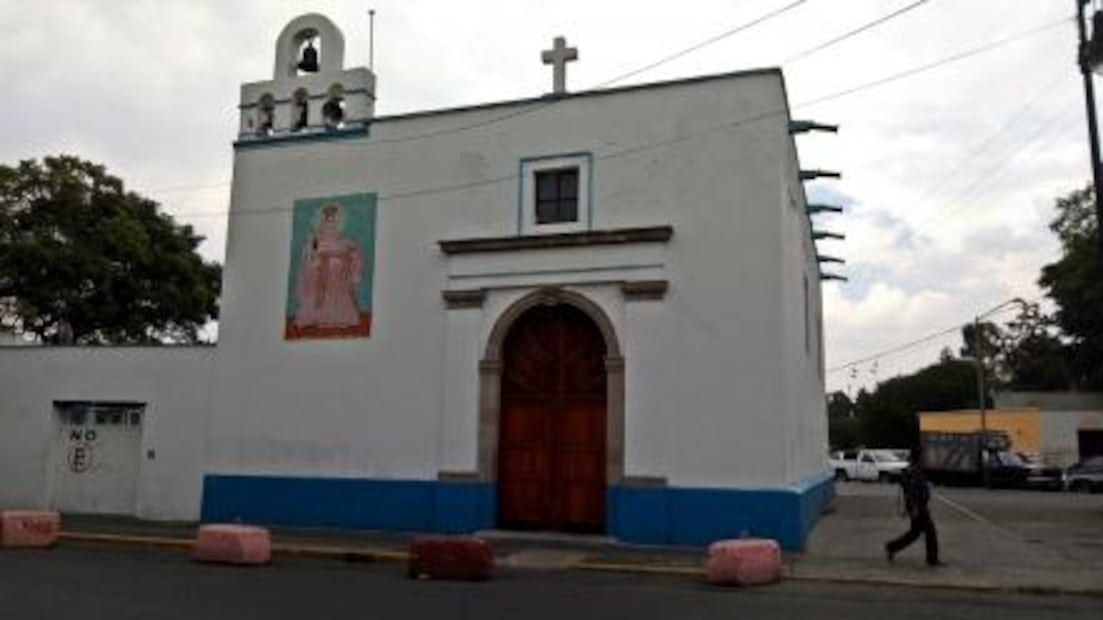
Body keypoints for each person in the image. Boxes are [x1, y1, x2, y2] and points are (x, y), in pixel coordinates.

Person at [293, 204, 363, 329]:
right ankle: (317, 312)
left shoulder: (337, 227)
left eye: (333, 213)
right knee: (322, 264)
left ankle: (339, 315)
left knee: (341, 261)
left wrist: (345, 250)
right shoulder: (319, 229)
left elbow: (339, 241)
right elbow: (315, 244)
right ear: (323, 215)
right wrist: (314, 244)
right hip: (324, 250)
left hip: (334, 248)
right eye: (327, 213)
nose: (330, 216)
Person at [884, 447, 944, 567]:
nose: (926, 458)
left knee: (915, 533)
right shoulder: (912, 471)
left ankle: (892, 547)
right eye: (924, 456)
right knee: (930, 532)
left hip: (919, 506)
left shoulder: (916, 470)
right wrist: (914, 508)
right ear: (919, 457)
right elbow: (910, 492)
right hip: (918, 507)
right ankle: (932, 559)